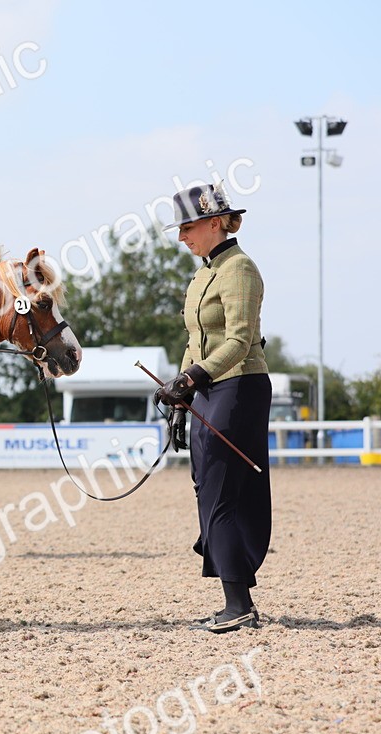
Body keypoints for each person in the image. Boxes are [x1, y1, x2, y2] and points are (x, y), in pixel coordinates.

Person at [156, 183, 271, 633]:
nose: (182, 237)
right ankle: (235, 598)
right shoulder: (204, 274)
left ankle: (238, 603)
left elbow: (240, 342)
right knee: (207, 487)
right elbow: (194, 342)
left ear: (214, 222)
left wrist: (194, 378)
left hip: (239, 384)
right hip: (209, 388)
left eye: (187, 227)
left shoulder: (239, 269)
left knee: (221, 488)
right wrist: (183, 395)